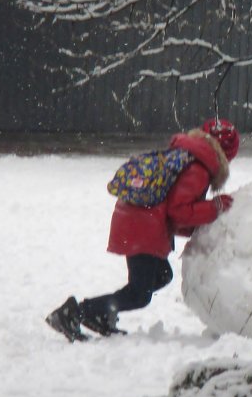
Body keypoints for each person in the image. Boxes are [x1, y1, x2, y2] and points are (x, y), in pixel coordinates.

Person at [46, 118, 240, 341]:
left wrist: (201, 227)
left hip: (136, 220)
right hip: (142, 227)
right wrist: (215, 207)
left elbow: (174, 209)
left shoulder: (184, 156)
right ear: (225, 154)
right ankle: (77, 313)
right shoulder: (198, 168)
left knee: (162, 275)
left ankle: (99, 312)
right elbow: (179, 211)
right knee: (139, 294)